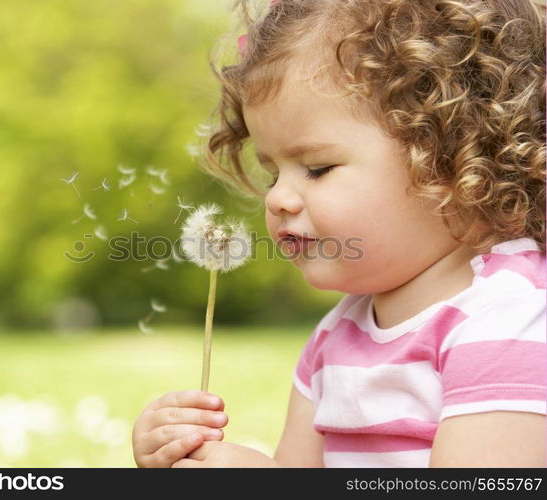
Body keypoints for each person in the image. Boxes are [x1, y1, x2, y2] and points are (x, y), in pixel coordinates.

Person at [132, 0, 546, 467]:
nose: (277, 199)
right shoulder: (336, 336)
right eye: (272, 173)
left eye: (317, 168)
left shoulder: (510, 320)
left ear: (454, 155)